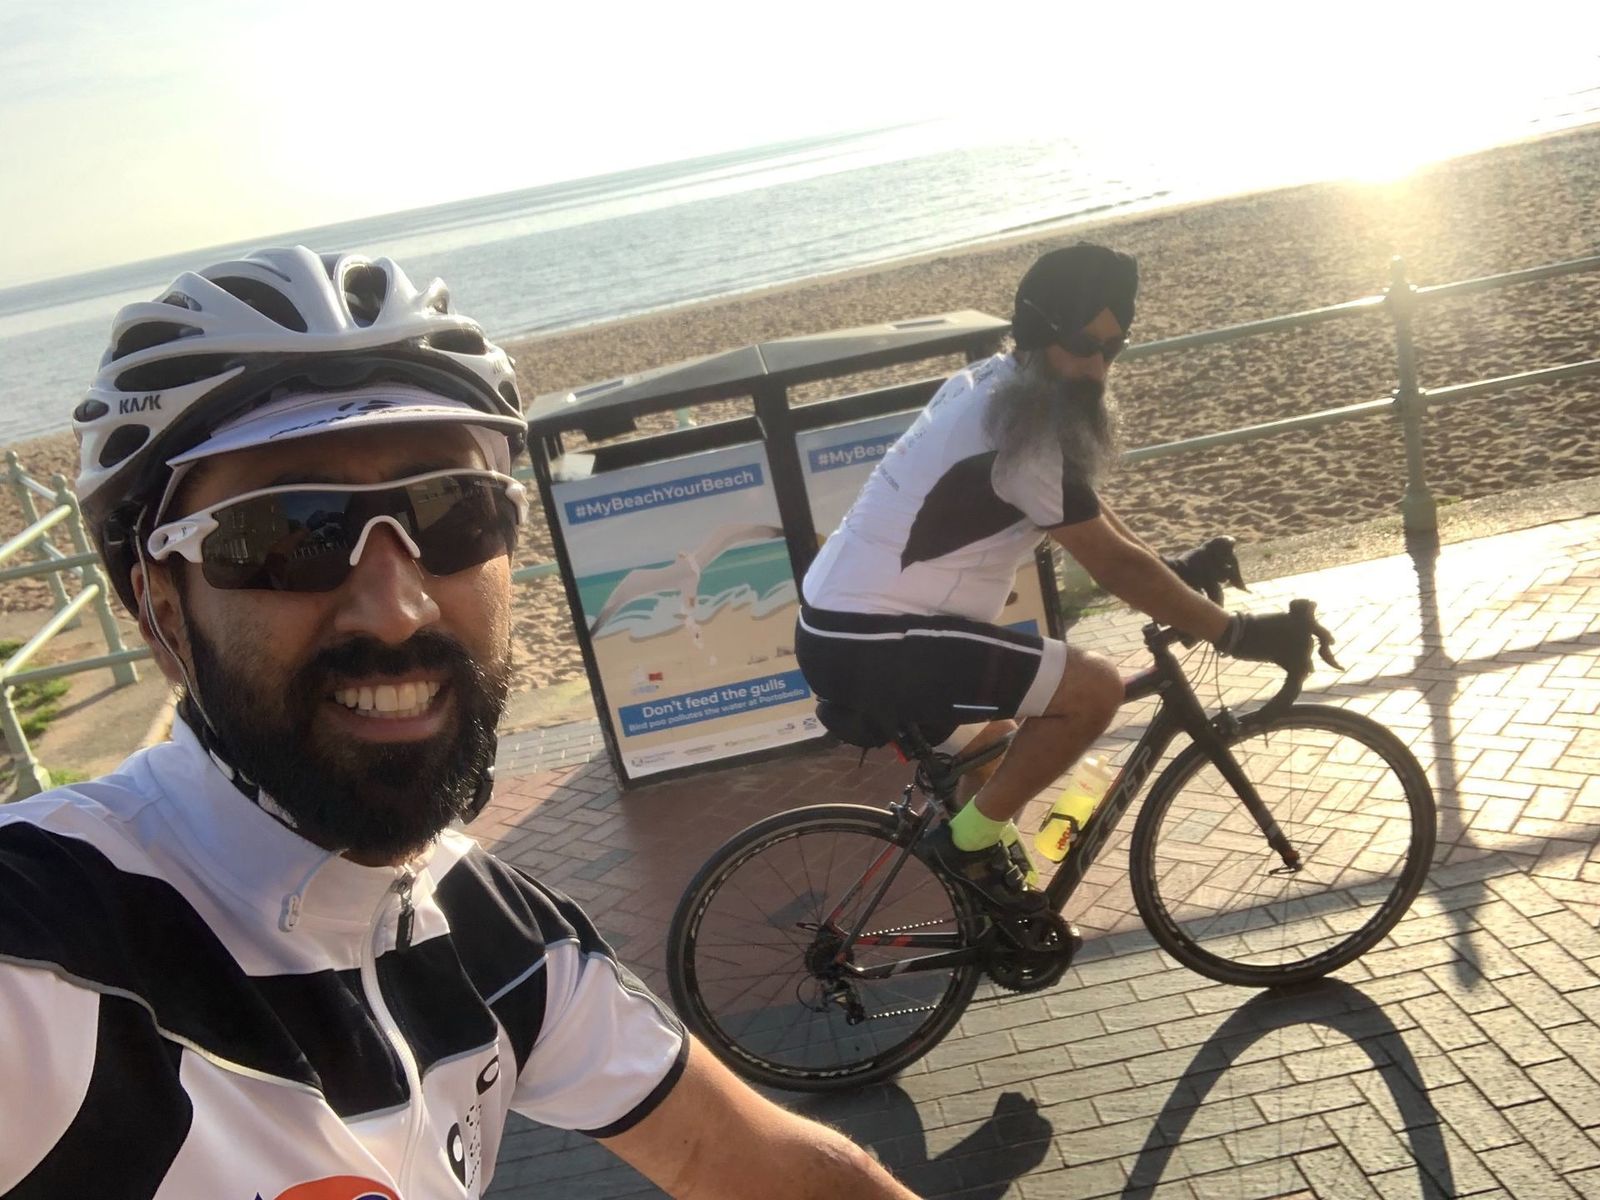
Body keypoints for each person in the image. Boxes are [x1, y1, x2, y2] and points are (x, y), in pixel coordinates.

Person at [0, 247, 919, 1199]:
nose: (398, 611)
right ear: (161, 610)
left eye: (455, 513)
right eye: (288, 533)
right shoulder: (50, 944)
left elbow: (768, 1167)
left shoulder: (492, 933)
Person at [796, 242, 1320, 916]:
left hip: (846, 626)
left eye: (1113, 348)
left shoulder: (997, 384)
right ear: (1041, 334)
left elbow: (1088, 513)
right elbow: (1111, 564)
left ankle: (986, 910)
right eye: (1082, 344)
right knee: (1094, 689)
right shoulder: (1023, 435)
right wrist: (1235, 633)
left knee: (995, 750)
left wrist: (1172, 573)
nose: (1097, 367)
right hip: (874, 638)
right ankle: (963, 849)